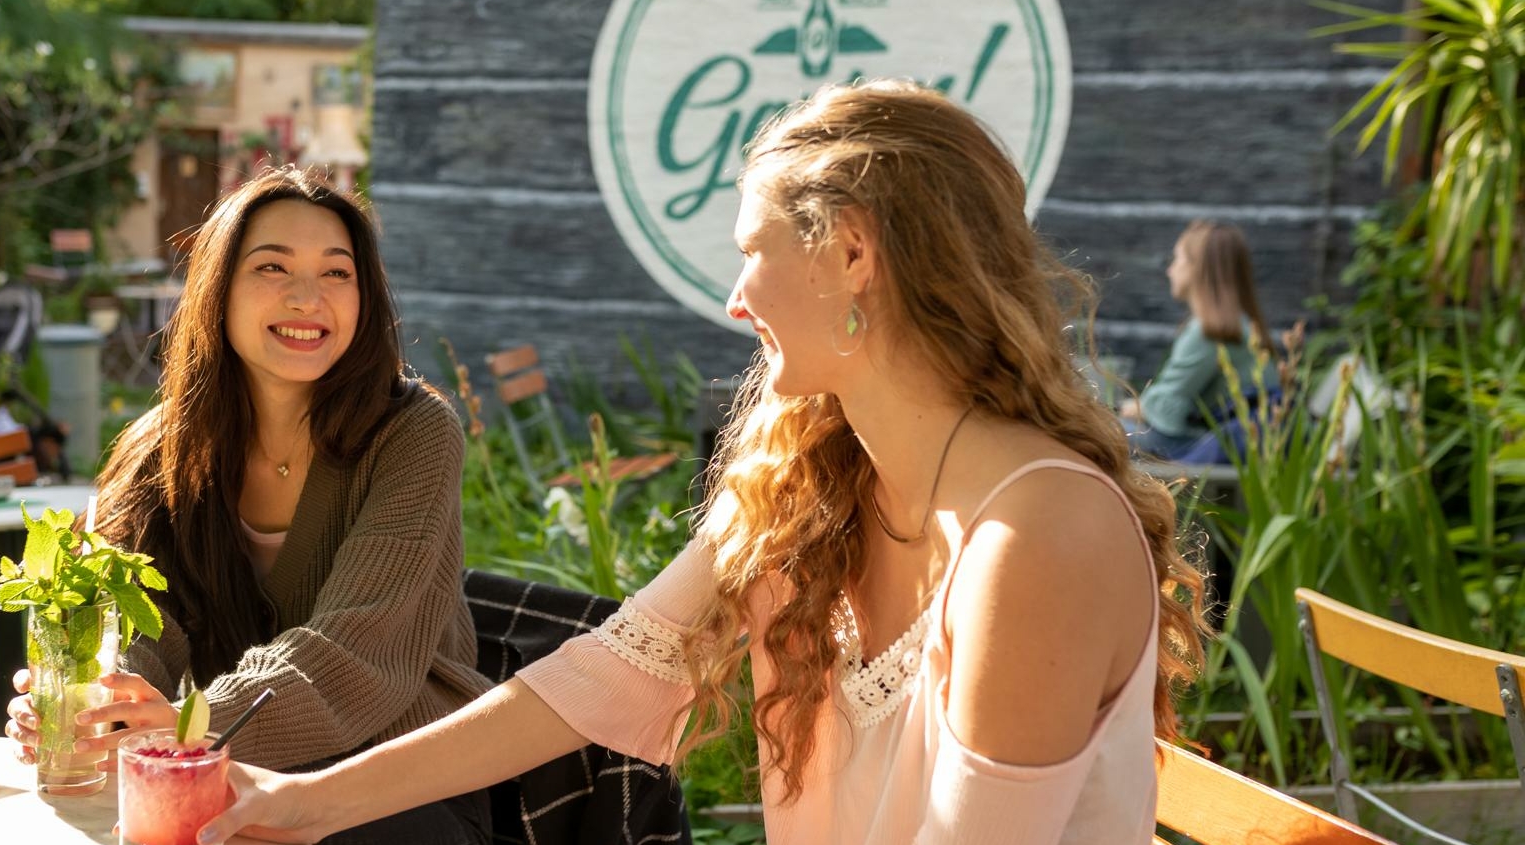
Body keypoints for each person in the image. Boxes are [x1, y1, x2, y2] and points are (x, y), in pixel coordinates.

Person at [196, 80, 1210, 845]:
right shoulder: (820, 476)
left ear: (852, 253)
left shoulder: (1035, 534)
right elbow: (600, 676)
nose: (735, 297)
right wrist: (301, 802)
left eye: (754, 251)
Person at [2, 167, 495, 843]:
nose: (306, 298)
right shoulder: (158, 452)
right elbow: (136, 628)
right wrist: (97, 707)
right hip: (218, 773)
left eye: (336, 273)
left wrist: (186, 722)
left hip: (394, 782)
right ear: (218, 290)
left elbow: (354, 653)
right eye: (272, 267)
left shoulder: (412, 433)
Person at [1119, 220, 1278, 461]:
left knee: (1097, 433)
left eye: (1177, 259)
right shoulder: (1237, 324)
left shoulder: (1210, 331)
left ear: (1198, 268)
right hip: (1229, 444)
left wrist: (1137, 408)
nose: (1170, 270)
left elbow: (1164, 414)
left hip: (1208, 450)